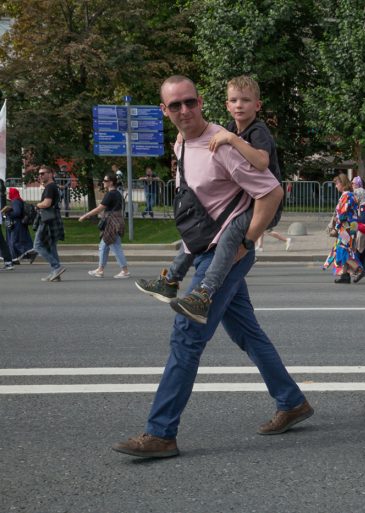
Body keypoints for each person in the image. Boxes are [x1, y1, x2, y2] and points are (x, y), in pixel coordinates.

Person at [112, 75, 312, 459]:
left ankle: (161, 433)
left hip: (225, 253)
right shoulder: (182, 143)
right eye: (175, 106)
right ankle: (292, 401)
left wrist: (246, 242)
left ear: (201, 102)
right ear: (165, 111)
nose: (184, 110)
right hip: (206, 246)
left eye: (190, 102)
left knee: (187, 334)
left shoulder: (222, 144)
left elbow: (271, 191)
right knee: (246, 333)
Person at [135, 75, 282, 323]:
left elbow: (261, 163)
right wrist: (187, 138)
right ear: (226, 104)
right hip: (244, 201)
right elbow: (207, 133)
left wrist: (232, 139)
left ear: (257, 105)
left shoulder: (257, 131)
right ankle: (170, 280)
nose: (239, 105)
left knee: (229, 238)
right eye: (234, 100)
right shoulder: (230, 127)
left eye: (245, 101)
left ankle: (204, 294)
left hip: (262, 204)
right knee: (194, 236)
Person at [78, 172, 131, 279]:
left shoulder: (111, 194)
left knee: (115, 247)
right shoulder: (117, 194)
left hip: (112, 224)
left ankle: (125, 271)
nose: (103, 182)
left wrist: (85, 216)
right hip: (114, 223)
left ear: (111, 182)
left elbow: (99, 209)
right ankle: (100, 270)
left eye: (105, 181)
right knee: (103, 246)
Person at [323, 174, 365, 283]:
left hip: (346, 226)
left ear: (342, 183)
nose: (336, 186)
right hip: (351, 226)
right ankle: (345, 275)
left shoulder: (346, 195)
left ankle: (358, 269)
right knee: (345, 248)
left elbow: (342, 214)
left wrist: (336, 228)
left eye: (337, 183)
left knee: (342, 249)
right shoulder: (349, 195)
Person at [33, 165, 66, 282]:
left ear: (51, 174)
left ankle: (57, 267)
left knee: (37, 245)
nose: (40, 175)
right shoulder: (52, 187)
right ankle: (55, 272)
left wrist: (37, 205)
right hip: (52, 218)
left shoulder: (50, 187)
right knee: (51, 247)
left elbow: (46, 203)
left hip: (47, 220)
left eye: (43, 173)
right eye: (39, 174)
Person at [2, 187, 36, 264]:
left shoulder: (15, 201)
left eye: (9, 193)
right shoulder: (17, 200)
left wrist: (7, 213)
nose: (8, 194)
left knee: (14, 241)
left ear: (13, 193)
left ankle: (17, 258)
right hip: (17, 224)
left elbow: (17, 212)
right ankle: (17, 258)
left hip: (16, 224)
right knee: (17, 241)